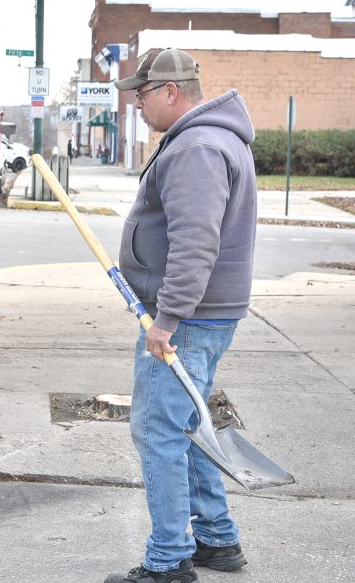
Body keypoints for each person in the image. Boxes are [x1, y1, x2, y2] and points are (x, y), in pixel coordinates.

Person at [104, 49, 257, 583]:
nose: (138, 105)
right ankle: (216, 537)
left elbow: (196, 244)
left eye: (142, 94)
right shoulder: (211, 138)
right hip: (203, 315)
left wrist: (166, 319)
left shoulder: (197, 146)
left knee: (159, 432)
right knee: (186, 424)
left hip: (188, 320)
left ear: (171, 91)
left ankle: (169, 560)